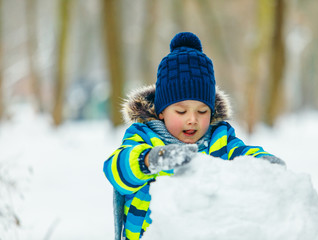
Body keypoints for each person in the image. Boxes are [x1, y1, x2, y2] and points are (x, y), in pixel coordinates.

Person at [103, 32, 285, 240]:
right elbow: (114, 170)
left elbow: (241, 154)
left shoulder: (219, 139)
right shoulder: (143, 137)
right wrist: (149, 160)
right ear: (161, 111)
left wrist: (262, 163)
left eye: (202, 111)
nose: (192, 120)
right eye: (181, 112)